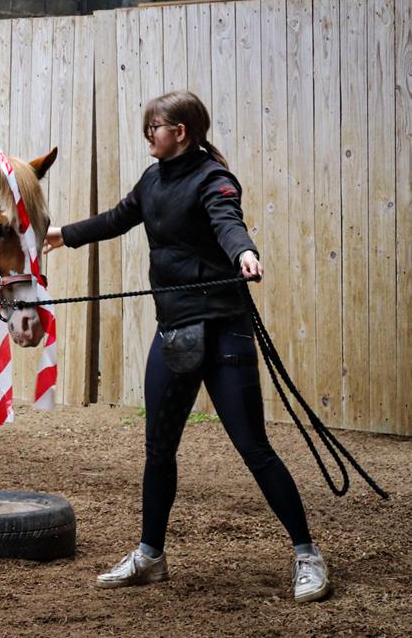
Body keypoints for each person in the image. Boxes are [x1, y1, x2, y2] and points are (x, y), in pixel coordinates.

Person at [44, 90, 330, 604]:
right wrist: (63, 235)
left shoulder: (214, 180)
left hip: (223, 328)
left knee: (253, 448)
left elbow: (228, 222)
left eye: (155, 125)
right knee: (158, 448)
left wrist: (244, 252)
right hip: (174, 328)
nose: (147, 133)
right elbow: (118, 217)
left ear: (181, 132)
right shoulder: (153, 180)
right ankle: (151, 555)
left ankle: (307, 553)